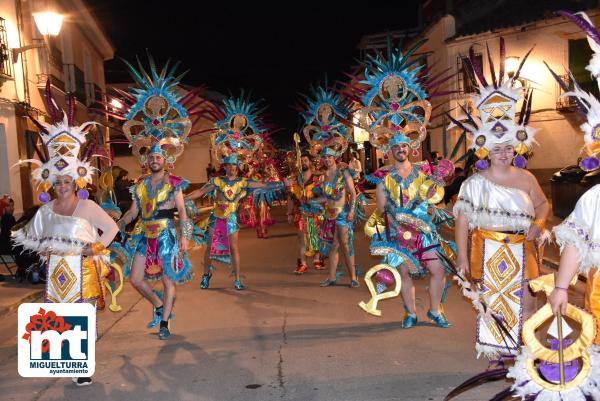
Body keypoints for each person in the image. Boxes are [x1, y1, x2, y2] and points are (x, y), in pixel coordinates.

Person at [12, 86, 119, 386]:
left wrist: (95, 249)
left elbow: (112, 228)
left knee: (82, 316)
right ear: (52, 183)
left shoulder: (87, 205)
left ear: (76, 182)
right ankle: (71, 360)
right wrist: (44, 250)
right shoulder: (45, 212)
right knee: (61, 318)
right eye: (57, 182)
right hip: (57, 271)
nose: (62, 186)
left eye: (67, 181)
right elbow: (36, 237)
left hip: (84, 268)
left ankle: (82, 367)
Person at [451, 38, 549, 364]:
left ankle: (526, 353)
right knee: (492, 301)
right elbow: (462, 221)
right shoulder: (474, 184)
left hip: (523, 248)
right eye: (497, 149)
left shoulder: (526, 178)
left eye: (508, 147)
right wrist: (462, 259)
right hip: (488, 248)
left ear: (515, 149)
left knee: (529, 300)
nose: (504, 153)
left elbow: (544, 205)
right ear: (485, 151)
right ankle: (499, 353)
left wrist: (539, 224)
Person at [353, 39, 457, 328]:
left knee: (438, 270)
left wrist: (439, 182)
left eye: (403, 147)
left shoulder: (424, 173)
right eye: (394, 147)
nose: (399, 150)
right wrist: (396, 226)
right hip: (398, 231)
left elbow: (436, 196)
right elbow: (383, 209)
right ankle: (410, 312)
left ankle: (435, 310)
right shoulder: (385, 179)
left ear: (410, 148)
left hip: (424, 230)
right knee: (403, 274)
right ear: (389, 151)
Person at [115, 58, 195, 341]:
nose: (154, 161)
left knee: (167, 279)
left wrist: (185, 238)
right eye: (150, 158)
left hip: (166, 236)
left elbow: (183, 213)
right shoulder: (139, 186)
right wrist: (119, 223)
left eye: (158, 157)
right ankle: (160, 305)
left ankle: (164, 323)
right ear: (146, 161)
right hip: (143, 234)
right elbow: (134, 211)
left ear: (166, 160)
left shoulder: (175, 185)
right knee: (135, 279)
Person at [189, 95, 284, 290]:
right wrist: (182, 197)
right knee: (209, 249)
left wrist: (282, 184)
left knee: (234, 249)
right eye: (229, 166)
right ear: (225, 166)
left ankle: (237, 279)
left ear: (238, 167)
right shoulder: (216, 181)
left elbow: (264, 185)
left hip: (231, 219)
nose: (232, 169)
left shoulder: (243, 182)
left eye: (234, 166)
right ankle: (206, 275)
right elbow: (199, 191)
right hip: (216, 218)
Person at [286, 152, 324, 274]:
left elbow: (324, 197)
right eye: (301, 161)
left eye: (305, 160)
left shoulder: (317, 179)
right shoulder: (295, 181)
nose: (303, 163)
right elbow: (291, 198)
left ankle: (317, 259)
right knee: (301, 238)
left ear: (310, 162)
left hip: (315, 213)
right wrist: (289, 213)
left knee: (316, 236)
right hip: (300, 213)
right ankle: (303, 263)